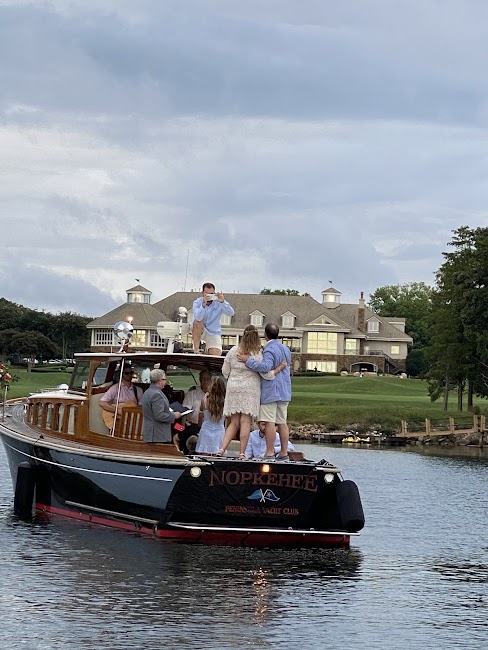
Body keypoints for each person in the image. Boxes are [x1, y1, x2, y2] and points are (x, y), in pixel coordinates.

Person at [217, 325, 287, 459]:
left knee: (234, 422)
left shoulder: (233, 350)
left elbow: (225, 371)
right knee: (245, 422)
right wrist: (279, 368)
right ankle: (242, 453)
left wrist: (234, 377)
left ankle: (221, 449)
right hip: (250, 390)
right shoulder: (257, 353)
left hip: (234, 388)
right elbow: (266, 374)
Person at [238, 323, 292, 461]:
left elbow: (266, 367)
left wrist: (248, 361)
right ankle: (284, 453)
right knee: (282, 422)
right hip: (284, 391)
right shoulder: (285, 349)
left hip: (271, 391)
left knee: (269, 422)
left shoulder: (269, 349)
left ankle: (269, 452)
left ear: (265, 335)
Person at [174, 369, 212, 453]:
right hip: (192, 425)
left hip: (209, 427)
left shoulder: (214, 395)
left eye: (208, 379)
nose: (205, 381)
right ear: (200, 380)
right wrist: (188, 416)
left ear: (211, 381)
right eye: (203, 379)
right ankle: (182, 452)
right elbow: (185, 409)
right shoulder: (192, 393)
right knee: (176, 427)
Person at [192, 282, 234, 355]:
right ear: (203, 293)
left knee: (215, 354)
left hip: (213, 332)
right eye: (207, 294)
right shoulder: (197, 302)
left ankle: (207, 350)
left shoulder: (219, 302)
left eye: (211, 294)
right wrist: (203, 306)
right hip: (200, 329)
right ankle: (196, 351)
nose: (209, 296)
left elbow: (231, 313)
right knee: (197, 322)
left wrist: (223, 302)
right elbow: (198, 318)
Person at [141, 368, 182, 443]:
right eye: (164, 379)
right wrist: (174, 415)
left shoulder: (147, 392)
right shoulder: (157, 395)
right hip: (157, 435)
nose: (165, 382)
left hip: (151, 434)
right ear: (159, 380)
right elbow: (159, 415)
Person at [100, 364, 144, 431]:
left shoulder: (138, 390)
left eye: (131, 373)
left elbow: (141, 407)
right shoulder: (115, 388)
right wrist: (117, 410)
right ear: (121, 374)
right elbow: (102, 403)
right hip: (119, 420)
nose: (129, 375)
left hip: (132, 419)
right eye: (127, 373)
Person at [195, 376, 226, 454]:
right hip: (219, 431)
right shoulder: (225, 402)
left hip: (206, 429)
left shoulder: (204, 400)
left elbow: (201, 415)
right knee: (218, 454)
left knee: (203, 454)